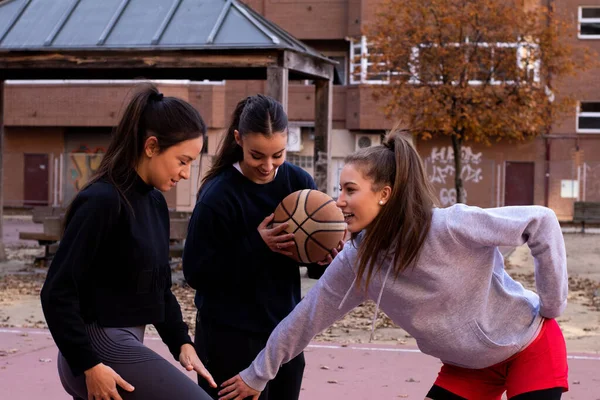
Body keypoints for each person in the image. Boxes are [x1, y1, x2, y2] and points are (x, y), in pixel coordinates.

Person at [218, 129, 569, 400]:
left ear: (384, 194)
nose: (338, 201)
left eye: (350, 190)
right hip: (468, 368)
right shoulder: (358, 263)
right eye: (339, 190)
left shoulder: (449, 226)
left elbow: (541, 221)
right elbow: (306, 317)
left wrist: (552, 304)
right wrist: (256, 375)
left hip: (528, 345)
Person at [40, 83, 216, 400]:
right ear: (151, 146)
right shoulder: (102, 202)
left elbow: (160, 284)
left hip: (124, 343)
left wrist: (180, 341)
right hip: (95, 351)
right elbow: (57, 290)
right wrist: (89, 365)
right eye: (182, 160)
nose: (187, 174)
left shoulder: (155, 204)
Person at [182, 94, 339, 400]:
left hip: (283, 334)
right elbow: (196, 273)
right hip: (228, 337)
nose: (268, 166)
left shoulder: (299, 182)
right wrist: (256, 244)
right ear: (238, 139)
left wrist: (325, 256)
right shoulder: (217, 196)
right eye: (257, 155)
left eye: (278, 154)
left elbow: (314, 267)